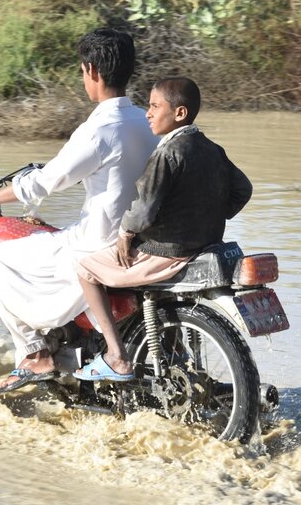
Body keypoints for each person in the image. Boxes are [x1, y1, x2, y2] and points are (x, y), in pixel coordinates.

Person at [0, 28, 156, 392]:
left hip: (95, 247)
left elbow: (43, 183)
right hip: (141, 241)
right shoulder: (148, 121)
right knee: (47, 236)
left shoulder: (98, 130)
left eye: (82, 72)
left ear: (92, 71)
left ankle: (35, 353)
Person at [71, 76, 253, 382]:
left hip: (167, 252)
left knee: (85, 269)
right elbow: (242, 189)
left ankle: (116, 357)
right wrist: (206, 214)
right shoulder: (211, 149)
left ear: (179, 114)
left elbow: (144, 207)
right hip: (205, 245)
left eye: (155, 106)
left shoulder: (167, 154)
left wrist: (125, 234)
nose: (148, 113)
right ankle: (169, 347)